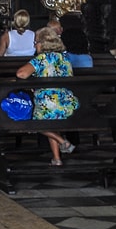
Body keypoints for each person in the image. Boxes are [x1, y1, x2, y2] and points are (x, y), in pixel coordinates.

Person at [15, 26, 79, 165]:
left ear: (42, 43)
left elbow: (21, 74)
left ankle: (63, 142)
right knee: (51, 124)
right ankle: (57, 159)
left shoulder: (42, 58)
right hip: (67, 103)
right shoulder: (64, 58)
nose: (35, 45)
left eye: (36, 42)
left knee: (34, 123)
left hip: (48, 104)